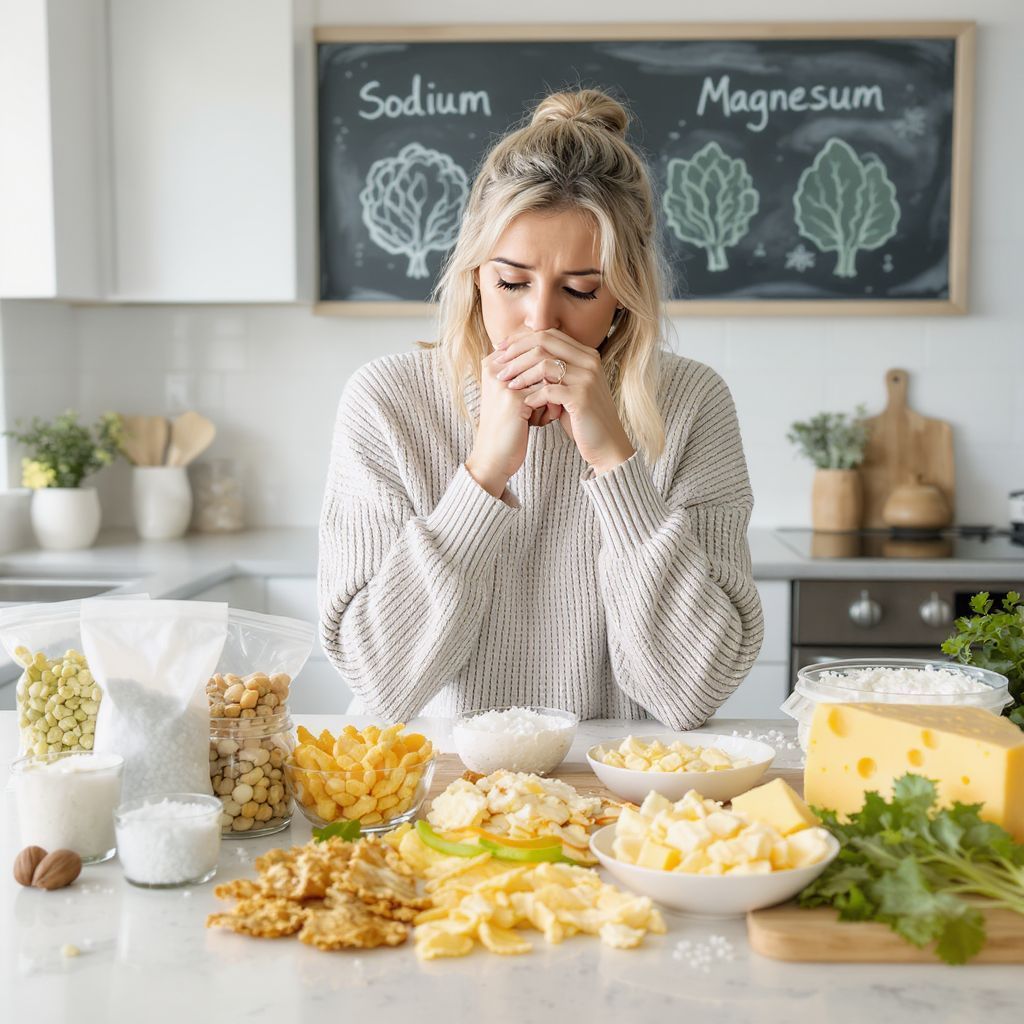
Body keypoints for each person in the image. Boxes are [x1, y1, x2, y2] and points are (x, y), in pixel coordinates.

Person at [318, 88, 763, 728]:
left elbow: (691, 693)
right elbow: (381, 684)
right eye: (511, 283)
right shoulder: (387, 401)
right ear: (474, 274)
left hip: (614, 798)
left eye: (581, 289)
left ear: (625, 295)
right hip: (432, 793)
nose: (540, 319)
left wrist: (616, 461)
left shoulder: (692, 404)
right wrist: (482, 477)